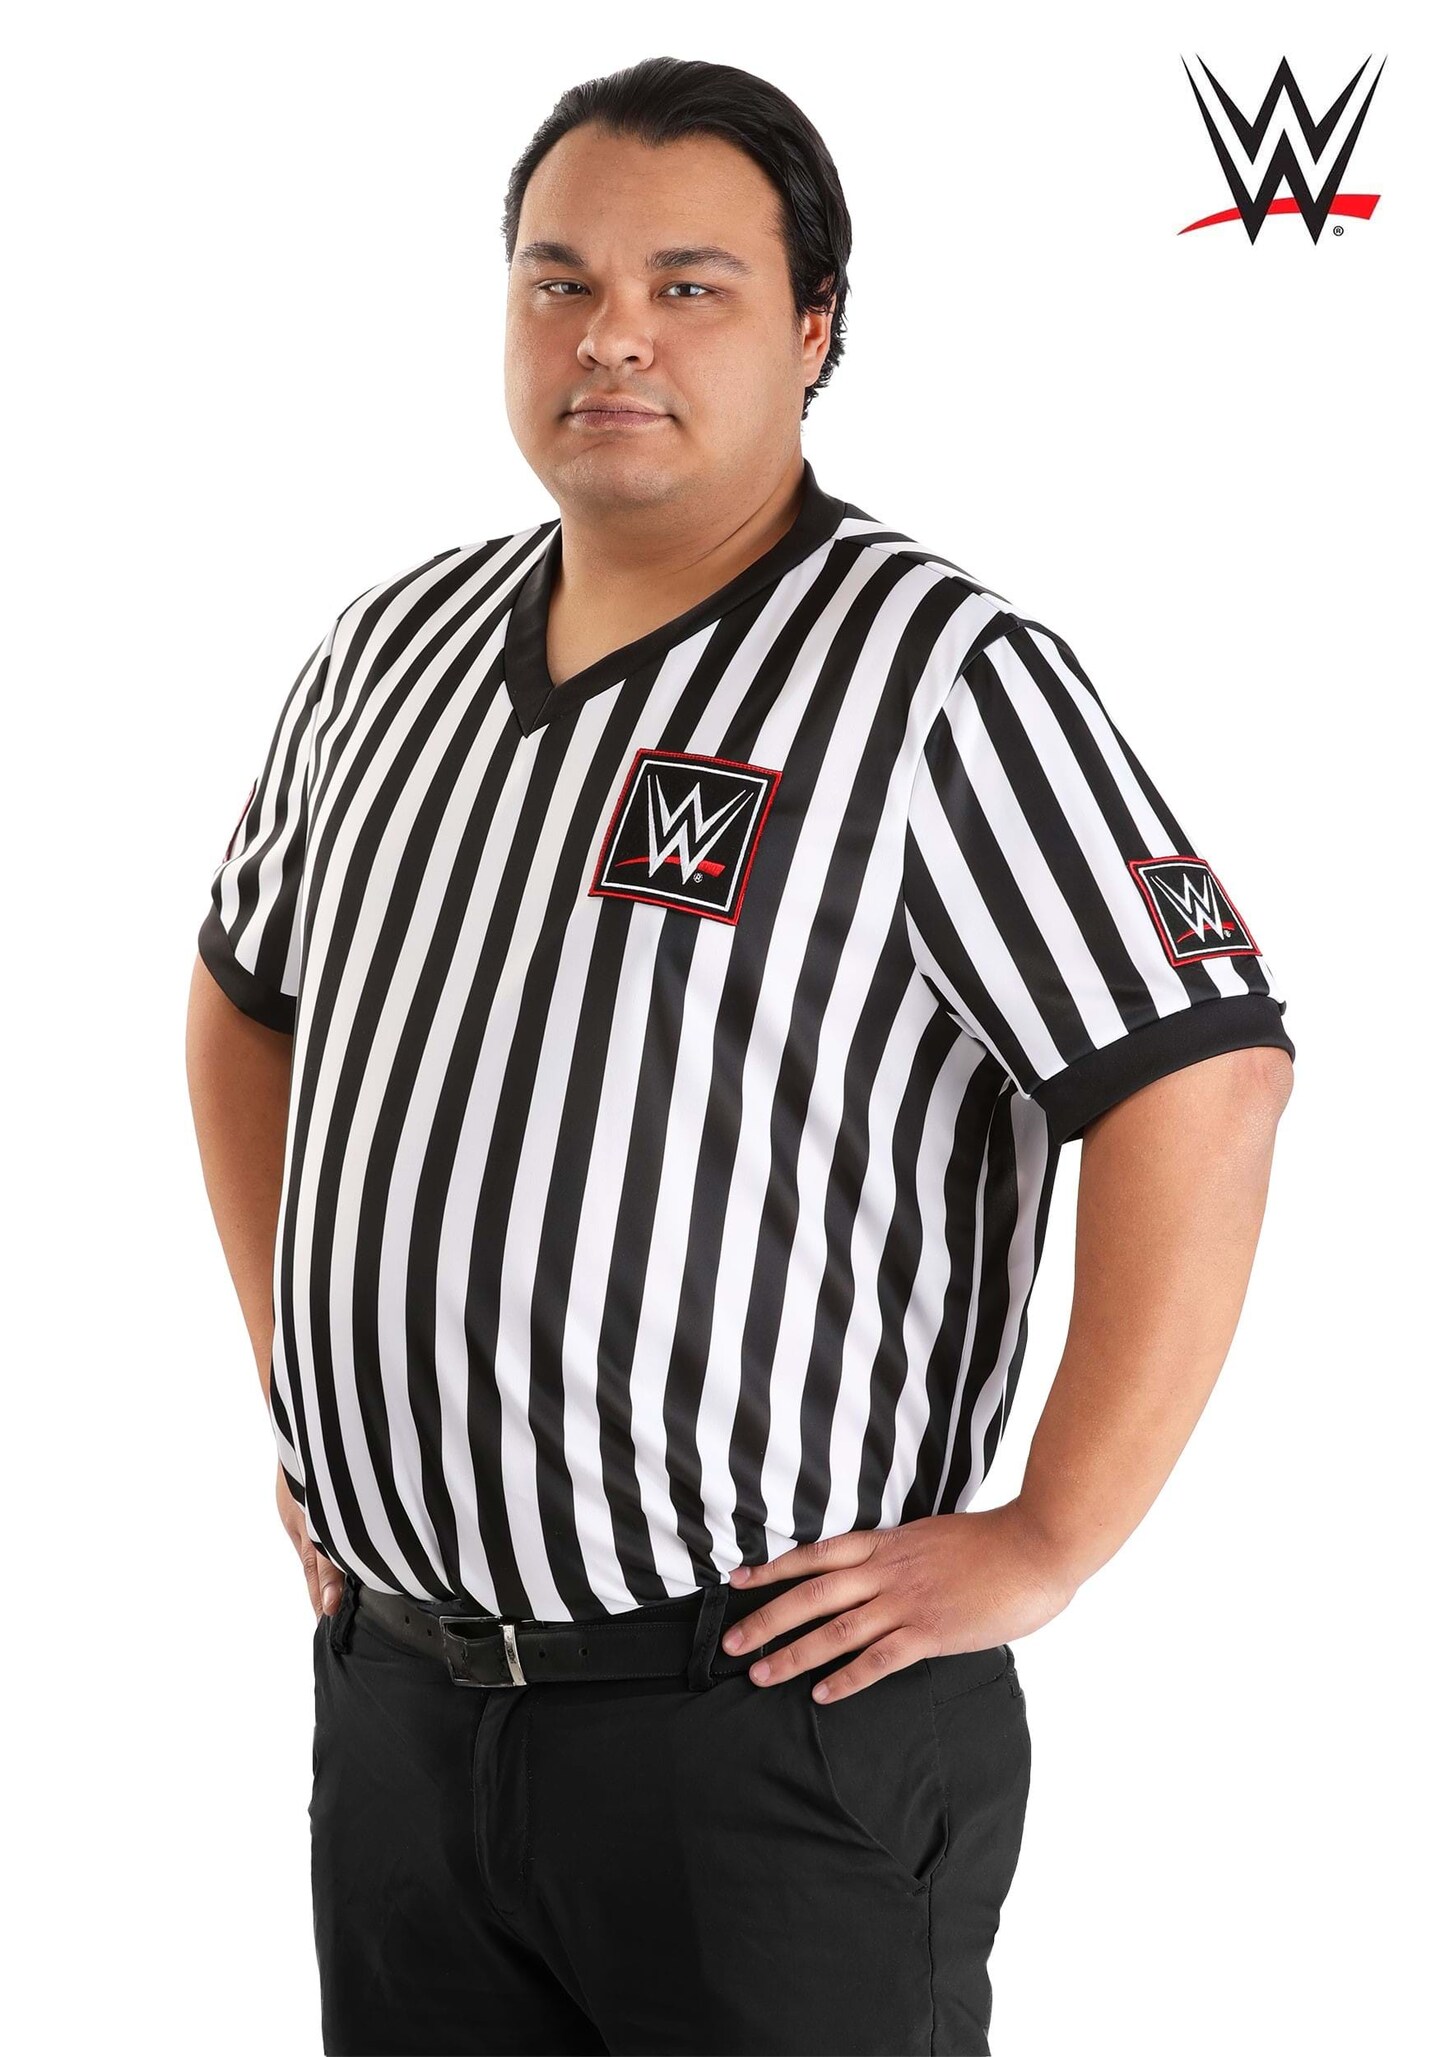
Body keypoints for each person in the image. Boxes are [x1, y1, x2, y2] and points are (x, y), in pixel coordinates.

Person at [186, 54, 1295, 2057]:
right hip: (405, 1713)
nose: (610, 333)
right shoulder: (382, 656)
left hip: (766, 1730)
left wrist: (1052, 1531)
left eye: (687, 286)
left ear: (812, 332)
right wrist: (307, 1376)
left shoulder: (938, 678)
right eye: (560, 280)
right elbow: (242, 993)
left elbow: (1199, 1072)